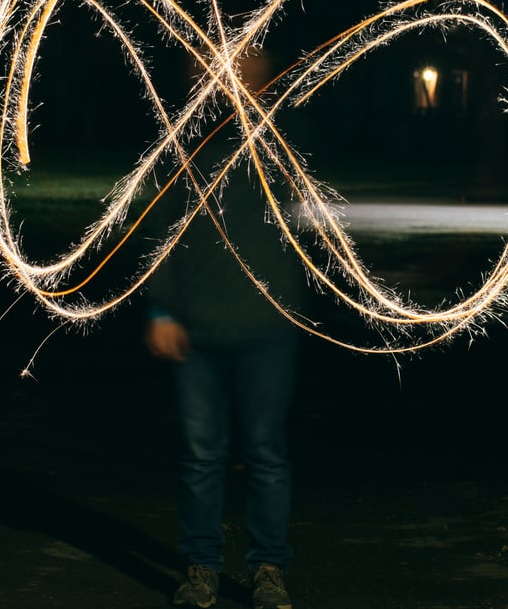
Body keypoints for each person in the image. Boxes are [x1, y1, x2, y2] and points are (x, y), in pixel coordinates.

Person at [145, 47, 304, 609]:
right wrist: (161, 310)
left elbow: (306, 219)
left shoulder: (279, 146)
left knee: (265, 453)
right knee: (201, 456)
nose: (226, 86)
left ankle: (267, 569)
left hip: (267, 326)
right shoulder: (181, 149)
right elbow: (158, 234)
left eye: (244, 77)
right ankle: (202, 567)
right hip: (196, 330)